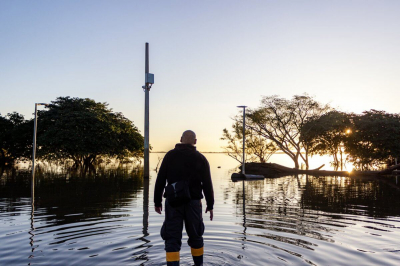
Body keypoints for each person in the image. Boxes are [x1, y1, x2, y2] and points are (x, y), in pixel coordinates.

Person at [154, 130, 214, 266]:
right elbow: (207, 184)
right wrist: (210, 205)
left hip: (173, 202)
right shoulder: (201, 158)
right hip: (193, 203)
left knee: (172, 238)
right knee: (196, 236)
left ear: (181, 139)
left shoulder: (170, 156)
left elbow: (160, 180)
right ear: (195, 141)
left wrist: (157, 202)